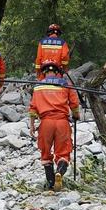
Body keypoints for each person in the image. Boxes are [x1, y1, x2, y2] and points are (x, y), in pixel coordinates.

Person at [29, 60, 81, 192]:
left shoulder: (38, 86)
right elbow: (74, 103)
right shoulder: (65, 84)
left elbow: (33, 108)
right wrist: (76, 115)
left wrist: (32, 126)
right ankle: (59, 172)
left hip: (45, 123)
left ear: (44, 72)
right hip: (62, 122)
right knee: (63, 152)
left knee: (45, 154)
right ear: (58, 72)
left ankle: (51, 183)